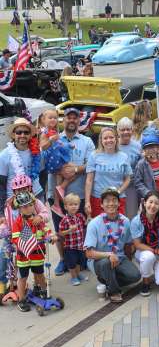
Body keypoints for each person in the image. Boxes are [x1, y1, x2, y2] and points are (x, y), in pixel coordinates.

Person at [48, 109, 95, 275]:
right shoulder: (53, 139)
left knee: (80, 229)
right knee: (61, 231)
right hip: (57, 196)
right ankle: (63, 260)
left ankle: (81, 259)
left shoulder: (87, 141)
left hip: (79, 196)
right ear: (63, 120)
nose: (72, 120)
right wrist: (61, 170)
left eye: (76, 118)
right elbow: (45, 160)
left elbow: (91, 164)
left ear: (79, 121)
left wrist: (74, 169)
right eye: (69, 117)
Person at [84, 188, 141, 303]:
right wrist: (109, 254)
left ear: (119, 203)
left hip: (119, 257)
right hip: (99, 260)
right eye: (107, 201)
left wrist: (128, 264)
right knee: (106, 263)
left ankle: (108, 280)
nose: (111, 203)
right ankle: (113, 291)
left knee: (135, 276)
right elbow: (88, 253)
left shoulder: (125, 221)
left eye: (114, 200)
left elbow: (127, 245)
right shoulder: (94, 224)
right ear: (101, 204)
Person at [11, 191, 55, 312]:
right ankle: (21, 299)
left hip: (37, 255)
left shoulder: (37, 220)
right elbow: (15, 238)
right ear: (20, 208)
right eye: (25, 206)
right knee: (23, 278)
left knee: (39, 275)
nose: (29, 208)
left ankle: (43, 292)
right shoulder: (18, 222)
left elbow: (46, 230)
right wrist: (26, 242)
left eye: (30, 205)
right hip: (23, 257)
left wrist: (51, 236)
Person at [131, 191, 159, 296]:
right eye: (150, 202)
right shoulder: (136, 221)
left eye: (156, 203)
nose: (153, 206)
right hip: (143, 252)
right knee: (148, 257)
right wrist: (157, 251)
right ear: (144, 203)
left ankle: (153, 270)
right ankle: (146, 281)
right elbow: (137, 244)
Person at [85, 128, 132, 218]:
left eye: (111, 137)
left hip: (117, 199)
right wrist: (87, 201)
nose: (108, 140)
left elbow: (127, 179)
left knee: (118, 229)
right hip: (98, 198)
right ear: (101, 140)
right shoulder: (94, 155)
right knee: (100, 228)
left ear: (116, 139)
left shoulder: (124, 156)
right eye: (105, 138)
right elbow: (89, 180)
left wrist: (118, 192)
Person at [0, 118, 44, 211]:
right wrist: (1, 212)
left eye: (26, 132)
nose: (22, 135)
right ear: (13, 134)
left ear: (30, 135)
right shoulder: (5, 155)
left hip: (36, 198)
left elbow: (43, 175)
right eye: (19, 132)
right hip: (14, 203)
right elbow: (1, 184)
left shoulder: (37, 152)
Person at [58, 193, 88, 286]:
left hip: (79, 245)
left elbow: (85, 224)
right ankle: (73, 277)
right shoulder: (65, 220)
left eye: (75, 204)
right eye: (71, 205)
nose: (73, 207)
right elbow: (60, 233)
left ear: (79, 205)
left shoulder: (80, 216)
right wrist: (69, 230)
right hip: (69, 246)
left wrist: (89, 216)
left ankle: (78, 274)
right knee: (71, 263)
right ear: (66, 207)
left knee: (79, 261)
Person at [117, 117, 142, 219]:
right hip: (117, 185)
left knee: (131, 215)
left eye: (128, 129)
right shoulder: (114, 145)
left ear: (132, 130)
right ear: (117, 131)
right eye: (122, 130)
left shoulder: (137, 146)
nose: (126, 132)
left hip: (132, 187)